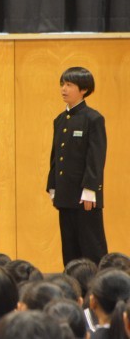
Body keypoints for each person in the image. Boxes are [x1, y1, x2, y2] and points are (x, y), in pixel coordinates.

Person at [47, 67, 107, 267]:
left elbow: (96, 157)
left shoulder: (93, 118)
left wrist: (90, 189)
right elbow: (56, 156)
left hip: (85, 196)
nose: (63, 89)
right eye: (62, 84)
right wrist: (53, 185)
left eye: (69, 85)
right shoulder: (60, 120)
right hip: (65, 194)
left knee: (92, 247)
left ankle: (100, 283)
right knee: (70, 248)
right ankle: (73, 283)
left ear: (83, 90)